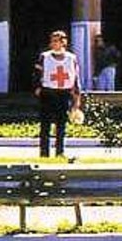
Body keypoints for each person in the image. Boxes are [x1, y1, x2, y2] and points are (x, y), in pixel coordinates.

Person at [34, 30, 82, 158]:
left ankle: (60, 152)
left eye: (56, 41)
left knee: (61, 124)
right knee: (45, 125)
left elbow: (75, 77)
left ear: (63, 42)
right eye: (52, 41)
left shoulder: (71, 58)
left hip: (64, 93)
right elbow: (37, 74)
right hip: (48, 92)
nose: (53, 43)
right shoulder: (44, 56)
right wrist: (37, 87)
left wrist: (77, 96)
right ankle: (44, 153)